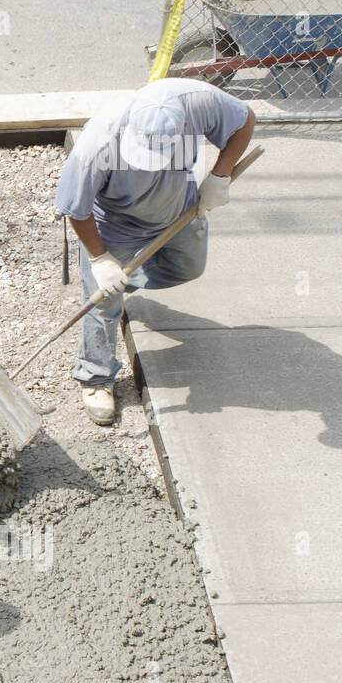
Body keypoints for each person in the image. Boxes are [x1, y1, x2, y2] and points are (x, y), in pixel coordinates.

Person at [54, 77, 255, 425]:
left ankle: (119, 286)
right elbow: (76, 209)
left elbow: (244, 120)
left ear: (183, 127)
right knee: (102, 302)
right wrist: (101, 261)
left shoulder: (197, 101)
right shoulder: (99, 143)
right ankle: (96, 377)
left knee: (188, 268)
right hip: (116, 223)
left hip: (178, 208)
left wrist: (220, 175)